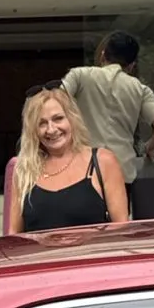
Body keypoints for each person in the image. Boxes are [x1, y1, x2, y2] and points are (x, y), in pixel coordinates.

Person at [9, 83, 129, 232]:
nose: (51, 129)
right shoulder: (24, 170)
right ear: (33, 130)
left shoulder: (103, 161)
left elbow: (121, 229)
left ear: (72, 118)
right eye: (42, 123)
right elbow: (14, 236)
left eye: (58, 119)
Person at [62, 30, 154, 185]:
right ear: (132, 65)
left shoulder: (79, 75)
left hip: (82, 170)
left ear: (103, 55)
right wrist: (149, 146)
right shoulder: (140, 89)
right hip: (121, 173)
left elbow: (54, 103)